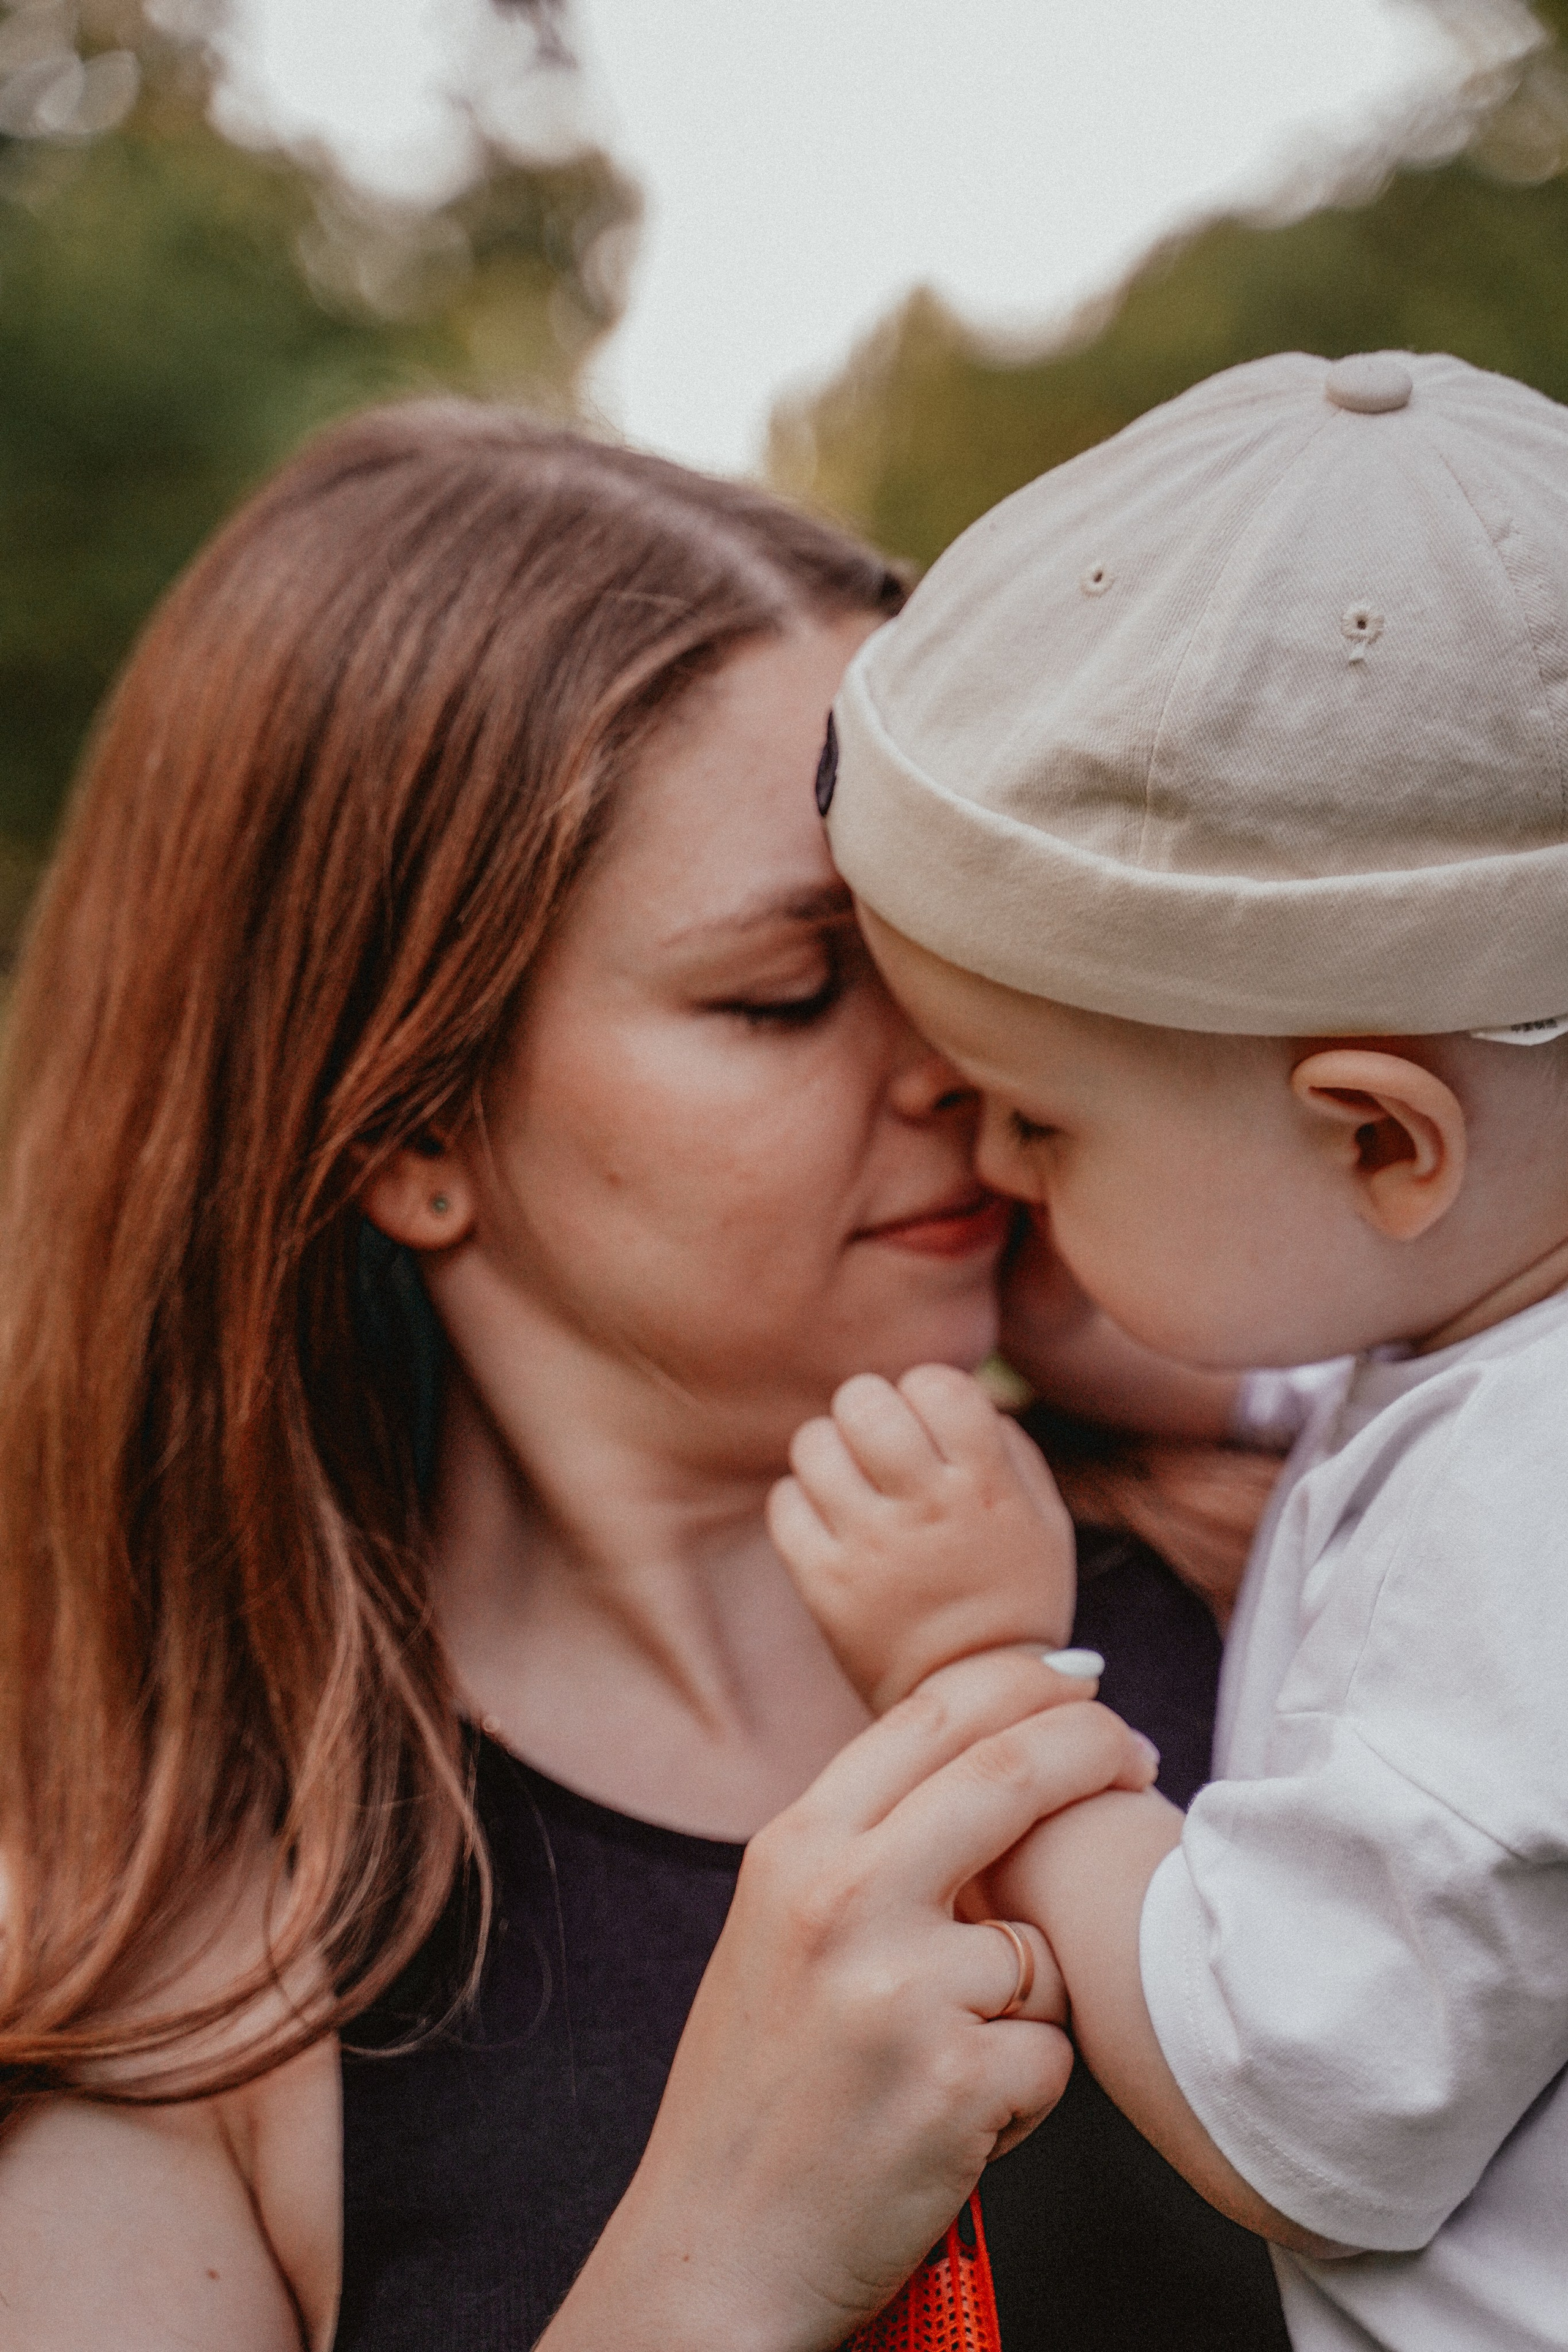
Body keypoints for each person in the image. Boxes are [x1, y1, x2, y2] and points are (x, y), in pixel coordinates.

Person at [0, 402, 1286, 2352]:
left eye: (957, 948)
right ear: (410, 1128)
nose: (953, 1058)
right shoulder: (173, 1961)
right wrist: (718, 2258)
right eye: (786, 991)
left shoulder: (1314, 1574)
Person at [771, 349, 1568, 2352]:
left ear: (1383, 1136)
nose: (993, 1167)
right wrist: (1183, 1356)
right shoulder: (1498, 1331)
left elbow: (1289, 2104)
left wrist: (981, 1672)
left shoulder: (1516, 1547)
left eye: (1043, 1123)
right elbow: (1401, 1377)